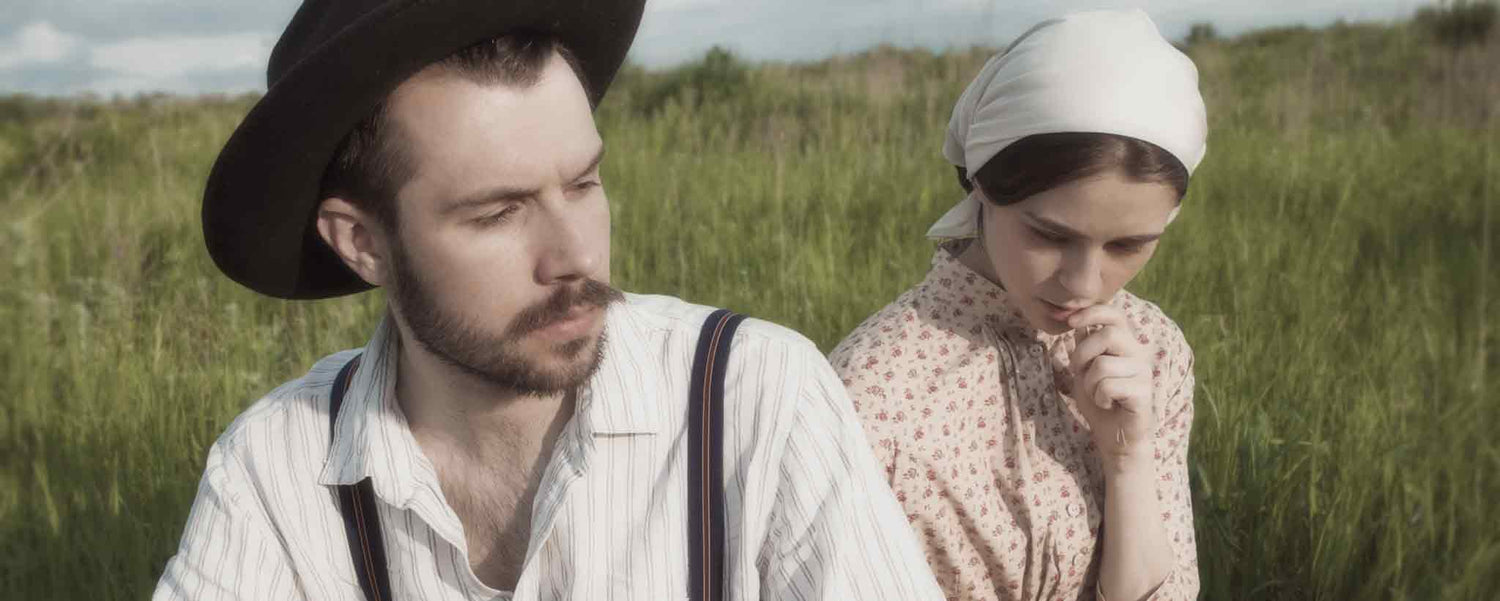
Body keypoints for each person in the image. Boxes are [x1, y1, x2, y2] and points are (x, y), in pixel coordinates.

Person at [153, 1, 944, 599]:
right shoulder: (276, 466)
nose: (576, 257)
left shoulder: (756, 399)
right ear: (361, 243)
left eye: (583, 183)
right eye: (498, 212)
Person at [829, 10, 1206, 601]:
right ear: (981, 183)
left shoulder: (1152, 347)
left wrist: (1128, 459)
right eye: (1050, 235)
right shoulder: (872, 400)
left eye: (1128, 245)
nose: (1085, 282)